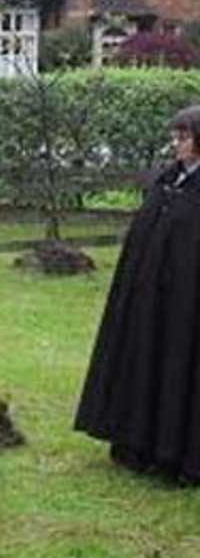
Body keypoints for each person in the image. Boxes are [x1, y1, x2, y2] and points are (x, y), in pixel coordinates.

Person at [75, 105, 200, 481]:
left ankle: (176, 453)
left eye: (183, 136)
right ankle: (138, 441)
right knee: (147, 358)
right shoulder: (167, 180)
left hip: (188, 306)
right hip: (152, 300)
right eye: (175, 136)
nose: (176, 143)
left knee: (182, 367)